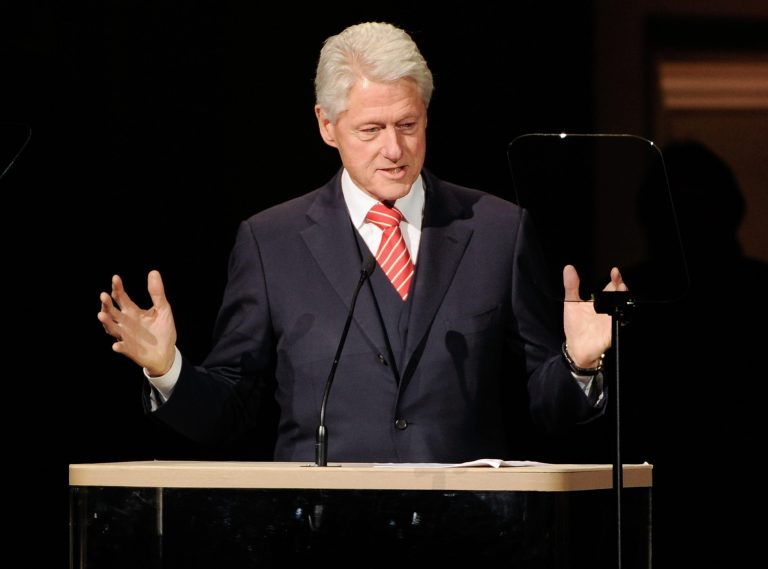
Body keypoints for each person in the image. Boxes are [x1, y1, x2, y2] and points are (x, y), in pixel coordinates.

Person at [97, 21, 626, 463]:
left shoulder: (498, 231)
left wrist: (578, 365)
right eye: (371, 130)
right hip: (323, 530)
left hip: (467, 528)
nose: (394, 149)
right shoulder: (270, 242)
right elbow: (229, 412)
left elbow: (547, 410)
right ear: (327, 126)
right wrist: (168, 369)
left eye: (408, 124)